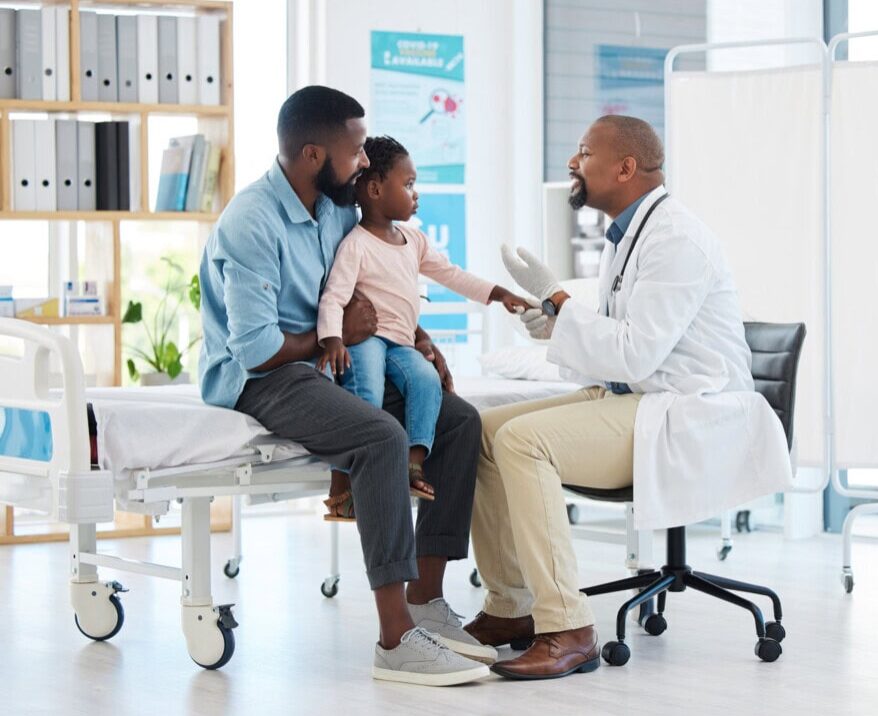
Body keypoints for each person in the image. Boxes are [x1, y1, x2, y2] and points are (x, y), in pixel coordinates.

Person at [464, 115, 791, 680]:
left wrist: (560, 303)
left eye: (584, 152)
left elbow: (638, 354)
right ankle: (511, 608)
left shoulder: (677, 240)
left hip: (690, 412)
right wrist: (552, 317)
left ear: (625, 167)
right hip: (644, 396)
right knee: (484, 430)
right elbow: (625, 340)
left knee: (520, 442)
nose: (572, 163)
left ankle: (568, 628)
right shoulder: (629, 234)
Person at [198, 85, 496, 685]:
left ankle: (424, 602)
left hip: (332, 363)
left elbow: (379, 282)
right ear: (313, 154)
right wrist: (330, 337)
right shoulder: (251, 222)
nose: (364, 163)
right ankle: (394, 640)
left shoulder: (335, 210)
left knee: (459, 421)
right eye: (357, 150)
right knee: (381, 437)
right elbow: (255, 351)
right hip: (265, 376)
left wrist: (416, 337)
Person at [316, 135, 530, 521]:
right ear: (376, 189)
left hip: (400, 342)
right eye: (409, 184)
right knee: (365, 392)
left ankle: (413, 465)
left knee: (427, 381)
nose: (417, 194)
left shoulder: (413, 240)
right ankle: (346, 485)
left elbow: (452, 275)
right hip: (366, 339)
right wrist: (332, 338)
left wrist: (497, 294)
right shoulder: (356, 245)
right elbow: (334, 296)